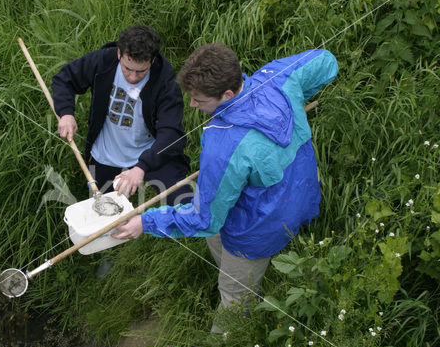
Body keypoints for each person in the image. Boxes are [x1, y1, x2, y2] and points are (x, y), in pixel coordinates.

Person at [114, 44, 338, 332]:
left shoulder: (224, 146)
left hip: (258, 228)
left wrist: (146, 222)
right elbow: (326, 61)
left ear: (228, 94)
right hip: (300, 191)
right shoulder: (276, 78)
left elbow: (204, 218)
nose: (192, 105)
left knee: (233, 298)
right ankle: (239, 274)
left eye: (199, 100)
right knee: (219, 241)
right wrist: (291, 101)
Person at [51, 24, 192, 205]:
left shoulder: (165, 80)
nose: (133, 77)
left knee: (184, 201)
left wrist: (142, 167)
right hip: (106, 154)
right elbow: (64, 79)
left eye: (141, 71)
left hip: (150, 151)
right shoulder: (103, 60)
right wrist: (66, 113)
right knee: (104, 212)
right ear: (119, 54)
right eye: (127, 68)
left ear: (153, 60)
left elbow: (171, 132)